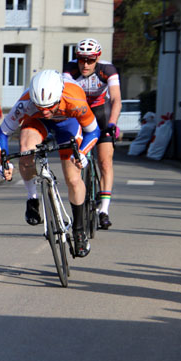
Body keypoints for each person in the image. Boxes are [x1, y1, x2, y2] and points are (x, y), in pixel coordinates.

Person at [0, 69, 100, 257]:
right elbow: (2, 133)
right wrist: (4, 163)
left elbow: (93, 131)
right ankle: (32, 199)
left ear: (59, 96)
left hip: (68, 123)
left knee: (72, 177)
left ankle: (78, 230)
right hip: (35, 123)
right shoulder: (26, 102)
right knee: (26, 148)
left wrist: (82, 153)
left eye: (49, 107)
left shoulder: (75, 100)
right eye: (40, 106)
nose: (45, 111)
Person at [63, 38, 121, 230]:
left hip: (100, 113)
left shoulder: (108, 70)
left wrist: (112, 123)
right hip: (79, 114)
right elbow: (64, 96)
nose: (85, 64)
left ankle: (104, 210)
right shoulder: (70, 70)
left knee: (105, 161)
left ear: (97, 58)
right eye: (81, 59)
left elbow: (116, 100)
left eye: (90, 60)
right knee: (75, 161)